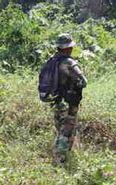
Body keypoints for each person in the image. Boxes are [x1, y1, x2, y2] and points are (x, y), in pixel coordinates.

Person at [40, 33, 87, 164]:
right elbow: (84, 82)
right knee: (66, 132)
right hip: (68, 102)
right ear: (67, 48)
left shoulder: (51, 61)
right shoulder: (69, 62)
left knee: (60, 129)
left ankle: (62, 157)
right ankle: (59, 161)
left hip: (55, 101)